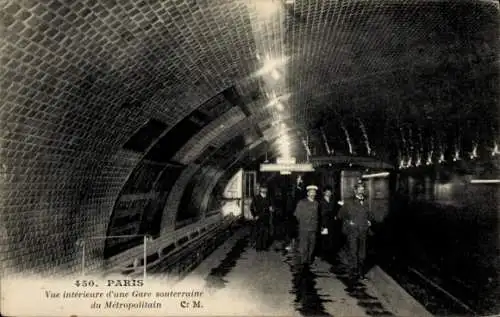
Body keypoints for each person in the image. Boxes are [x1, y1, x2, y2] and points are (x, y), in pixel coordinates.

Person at [338, 180, 373, 281]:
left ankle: (361, 273)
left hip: (363, 231)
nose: (361, 191)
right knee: (353, 252)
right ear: (355, 190)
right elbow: (341, 215)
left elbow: (369, 215)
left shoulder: (366, 202)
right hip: (353, 231)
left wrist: (369, 221)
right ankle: (353, 272)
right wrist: (349, 222)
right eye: (359, 189)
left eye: (363, 189)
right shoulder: (348, 202)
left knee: (362, 252)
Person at [294, 184, 320, 266]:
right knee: (304, 246)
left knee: (312, 246)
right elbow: (297, 215)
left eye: (314, 192)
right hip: (304, 228)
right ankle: (304, 262)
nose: (312, 194)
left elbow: (317, 216)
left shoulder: (316, 203)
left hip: (313, 228)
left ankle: (309, 260)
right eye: (311, 192)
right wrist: (303, 222)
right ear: (307, 193)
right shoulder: (301, 203)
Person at [319, 185, 343, 261]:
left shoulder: (333, 201)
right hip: (324, 223)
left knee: (331, 238)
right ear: (324, 193)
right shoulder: (321, 201)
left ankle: (331, 255)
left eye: (330, 192)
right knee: (324, 238)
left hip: (332, 223)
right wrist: (332, 213)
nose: (329, 193)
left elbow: (336, 209)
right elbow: (323, 212)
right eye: (327, 192)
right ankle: (324, 255)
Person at [250, 184, 274, 251]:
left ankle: (264, 247)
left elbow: (272, 207)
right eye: (263, 189)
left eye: (265, 189)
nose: (264, 190)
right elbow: (251, 208)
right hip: (259, 218)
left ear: (267, 190)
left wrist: (272, 209)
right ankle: (258, 247)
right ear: (260, 190)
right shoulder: (256, 198)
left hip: (267, 217)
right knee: (259, 232)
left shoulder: (269, 198)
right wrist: (254, 215)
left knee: (266, 233)